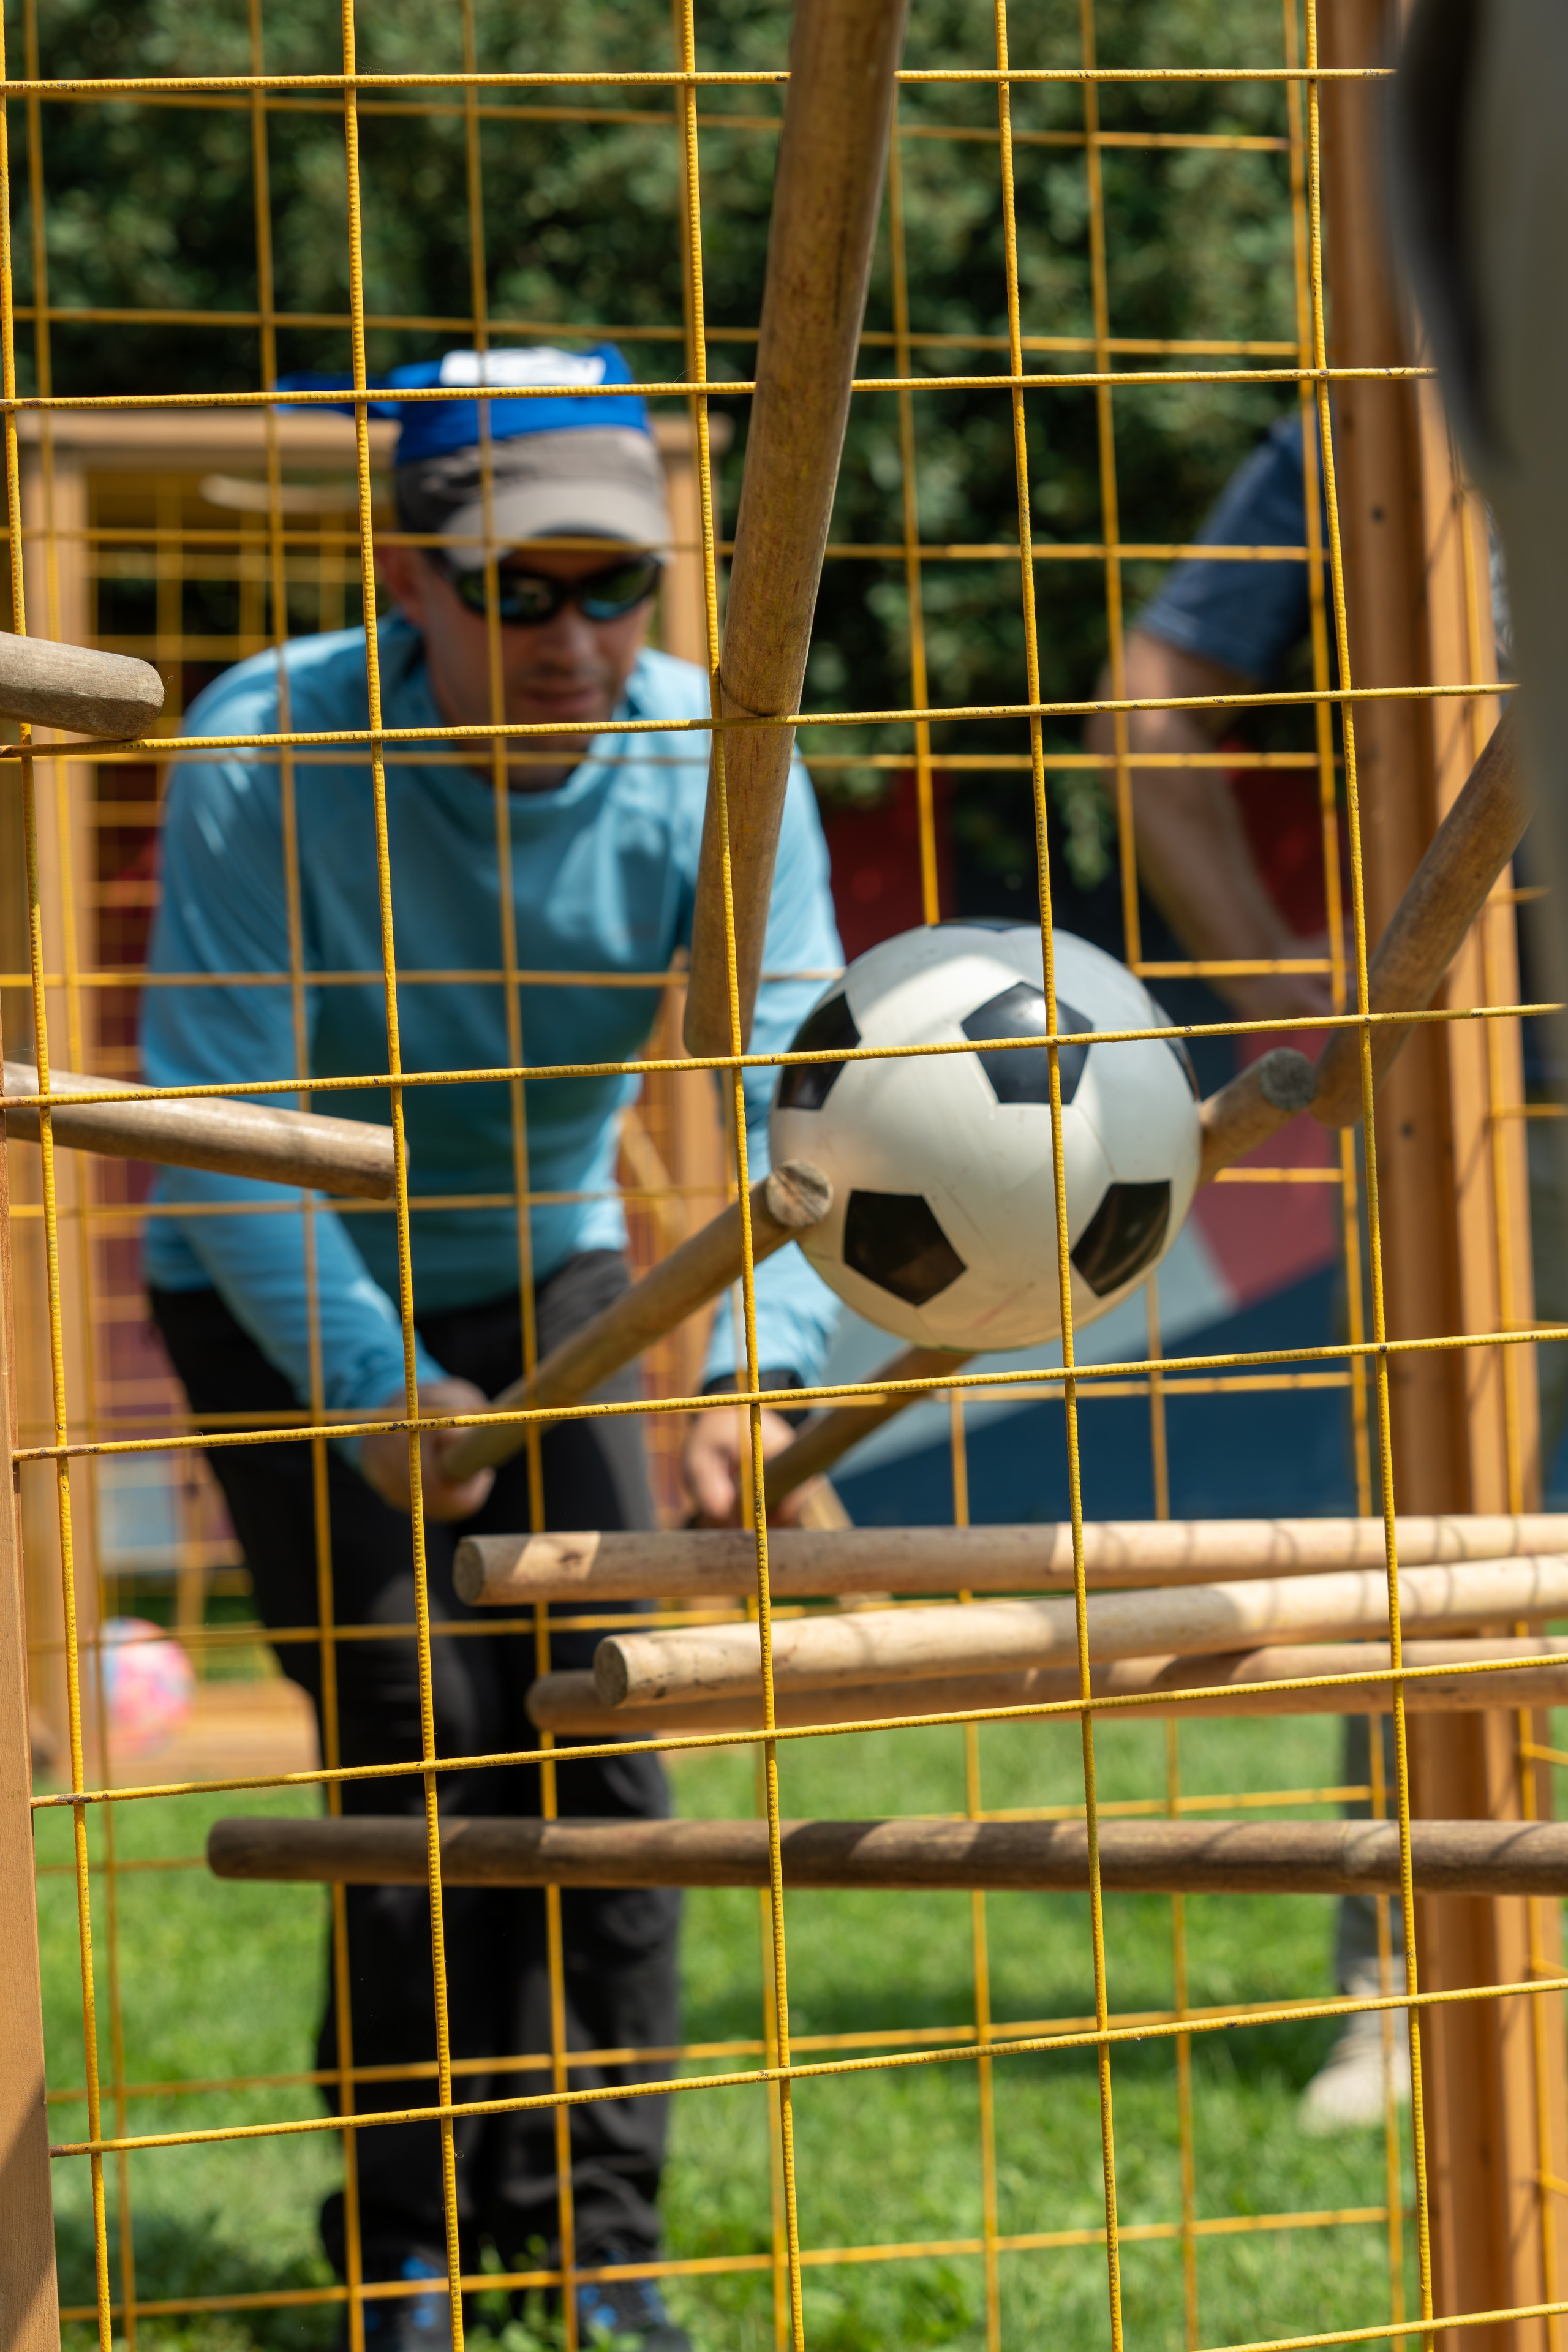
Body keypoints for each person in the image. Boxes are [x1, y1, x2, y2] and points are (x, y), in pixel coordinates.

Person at [140, 344, 842, 2349]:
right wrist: (373, 1390)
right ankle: (408, 2251)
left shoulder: (725, 752)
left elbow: (822, 1089)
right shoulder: (272, 749)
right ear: (411, 580)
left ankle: (598, 2249)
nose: (572, 637)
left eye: (612, 589)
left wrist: (757, 1372)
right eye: (516, 590)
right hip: (278, 1260)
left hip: (547, 1261)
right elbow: (211, 1116)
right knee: (415, 1752)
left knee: (616, 1737)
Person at [1085, 410, 1562, 2134]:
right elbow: (1143, 714)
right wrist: (1257, 968)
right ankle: (1412, 1987)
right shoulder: (1393, 391)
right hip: (1482, 1083)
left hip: (1494, 1077)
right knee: (1436, 1544)